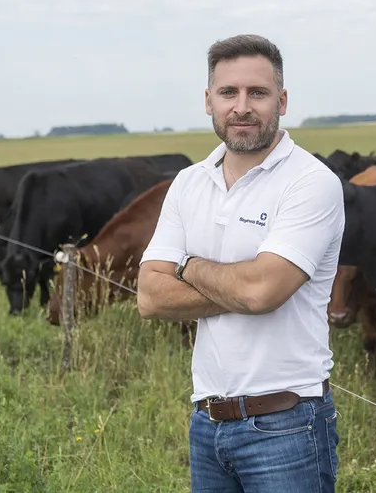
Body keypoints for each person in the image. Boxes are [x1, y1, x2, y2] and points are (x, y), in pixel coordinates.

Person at [136, 34, 345, 493]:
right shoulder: (189, 183)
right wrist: (244, 282)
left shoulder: (311, 183)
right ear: (208, 101)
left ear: (283, 101)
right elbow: (150, 296)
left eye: (258, 93)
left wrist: (187, 265)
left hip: (287, 424)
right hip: (207, 423)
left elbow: (262, 292)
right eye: (228, 92)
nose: (242, 106)